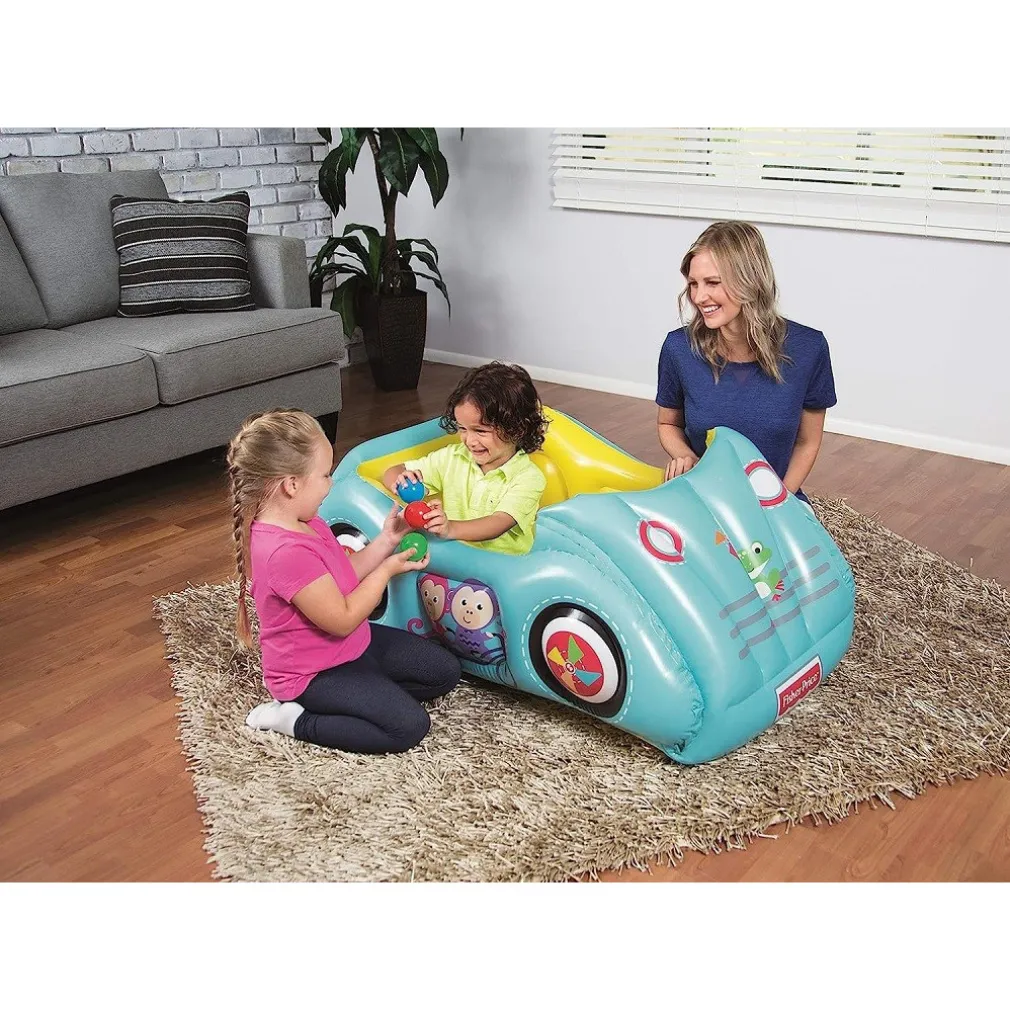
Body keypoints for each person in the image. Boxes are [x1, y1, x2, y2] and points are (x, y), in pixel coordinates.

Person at [228, 409, 461, 754]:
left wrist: (387, 541)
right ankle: (293, 719)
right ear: (291, 485)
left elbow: (343, 574)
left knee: (444, 671)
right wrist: (385, 571)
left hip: (354, 645)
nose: (331, 483)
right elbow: (343, 618)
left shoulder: (307, 521)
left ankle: (366, 694)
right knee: (408, 727)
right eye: (325, 475)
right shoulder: (284, 552)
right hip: (313, 673)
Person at [656, 221, 837, 504]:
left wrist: (779, 502)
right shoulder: (679, 348)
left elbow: (807, 442)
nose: (699, 297)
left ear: (749, 280)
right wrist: (687, 458)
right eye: (693, 284)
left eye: (712, 282)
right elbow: (668, 424)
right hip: (705, 499)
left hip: (779, 501)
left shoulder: (809, 349)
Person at [382, 361, 548, 555]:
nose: (469, 440)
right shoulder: (453, 457)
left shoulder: (528, 478)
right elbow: (394, 471)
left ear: (516, 429)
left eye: (480, 431)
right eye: (462, 428)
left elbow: (498, 523)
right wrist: (400, 480)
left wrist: (450, 528)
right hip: (456, 555)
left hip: (501, 564)